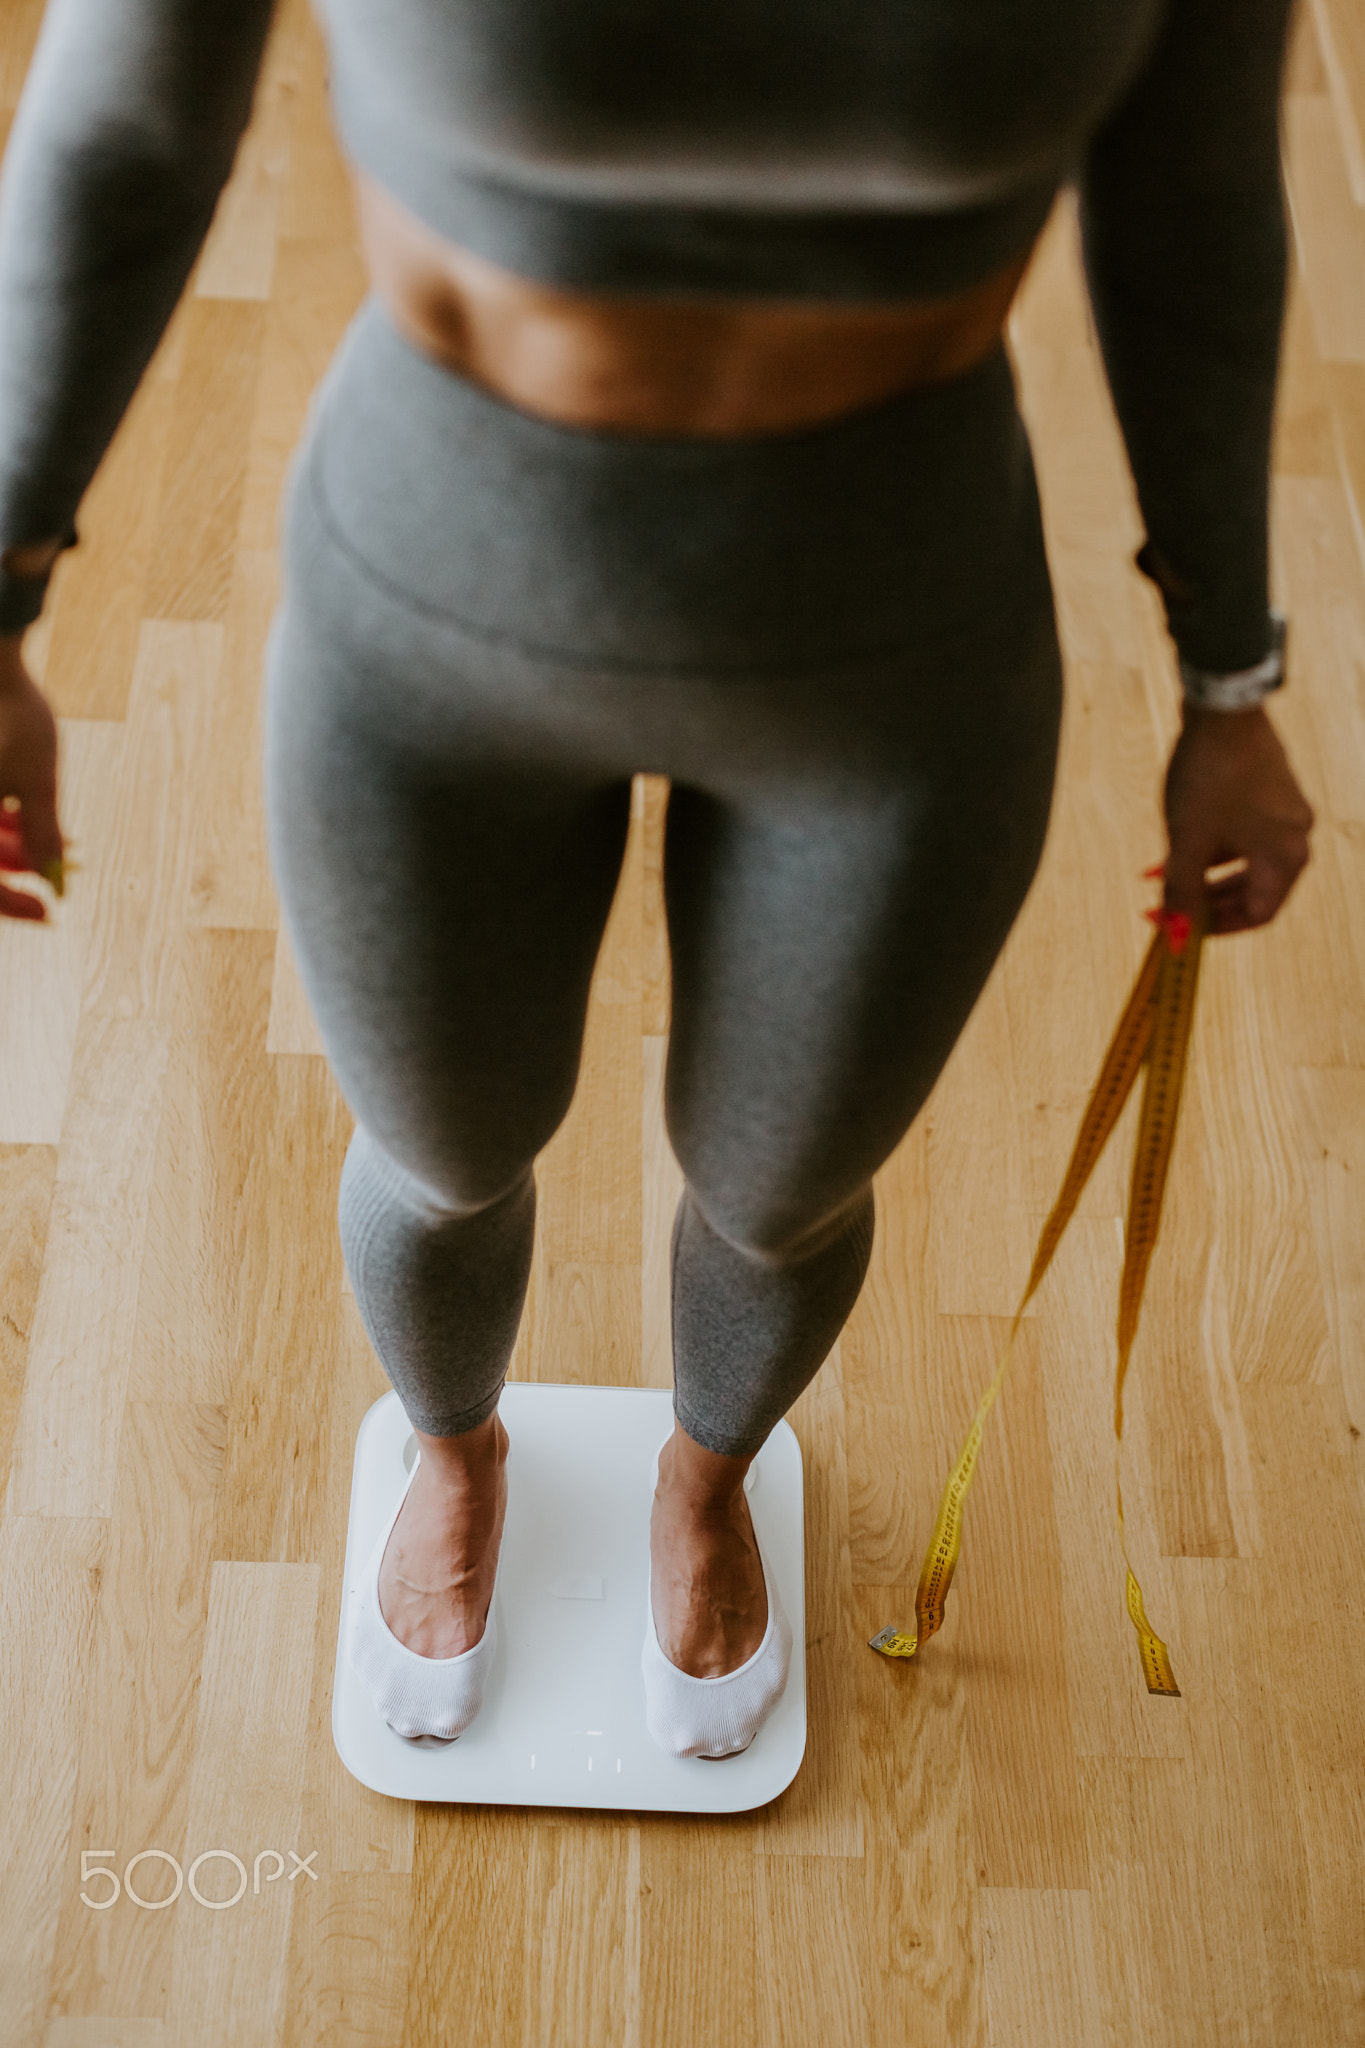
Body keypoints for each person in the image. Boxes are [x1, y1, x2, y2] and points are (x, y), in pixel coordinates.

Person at [0, 0, 1314, 1758]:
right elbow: (122, 129)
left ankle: (705, 1484)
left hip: (895, 659)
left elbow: (1198, 198)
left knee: (781, 1192)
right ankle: (455, 1454)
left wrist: (1229, 680)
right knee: (444, 1150)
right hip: (435, 616)